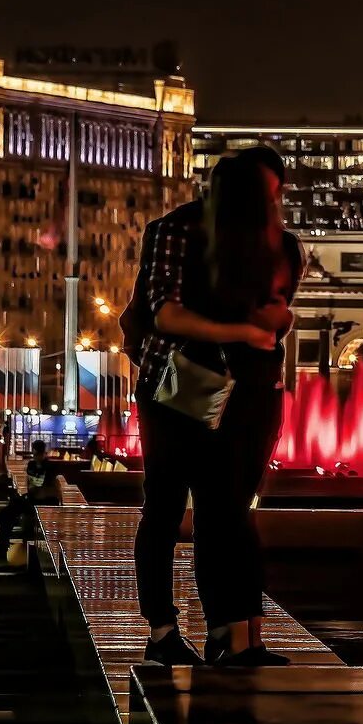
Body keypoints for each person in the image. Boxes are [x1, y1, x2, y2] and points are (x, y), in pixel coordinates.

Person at [131, 147, 300, 667]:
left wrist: (267, 324)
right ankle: (163, 631)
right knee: (167, 506)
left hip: (246, 388)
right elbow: (165, 315)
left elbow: (277, 318)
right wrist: (245, 330)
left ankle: (230, 633)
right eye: (269, 192)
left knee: (224, 511)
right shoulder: (178, 230)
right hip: (182, 379)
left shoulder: (278, 245)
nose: (277, 201)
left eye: (278, 193)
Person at [0, 439, 58, 558]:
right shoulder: (32, 465)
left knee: (10, 513)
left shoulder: (49, 468)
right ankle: (3, 543)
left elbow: (47, 490)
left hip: (43, 503)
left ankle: (4, 544)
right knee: (4, 514)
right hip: (32, 501)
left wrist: (34, 492)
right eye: (35, 454)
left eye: (38, 454)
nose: (36, 457)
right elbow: (30, 486)